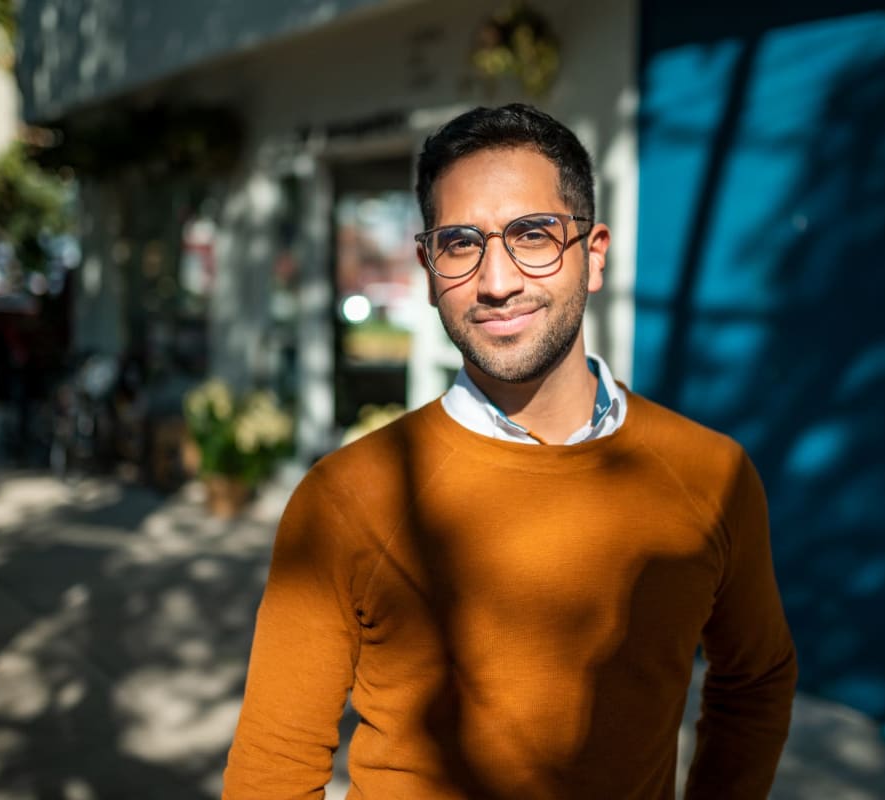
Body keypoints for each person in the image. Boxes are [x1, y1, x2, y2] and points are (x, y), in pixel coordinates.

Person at [223, 104, 797, 799]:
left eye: (533, 235)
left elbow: (756, 680)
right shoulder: (348, 495)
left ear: (593, 255)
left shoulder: (711, 474)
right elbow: (273, 771)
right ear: (429, 268)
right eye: (462, 243)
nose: (497, 282)